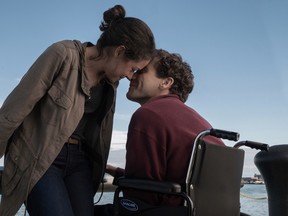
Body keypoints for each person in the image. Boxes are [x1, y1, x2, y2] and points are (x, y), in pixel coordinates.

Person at [0, 4, 155, 216]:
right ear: (119, 51)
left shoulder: (111, 82)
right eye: (133, 68)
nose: (131, 76)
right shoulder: (62, 55)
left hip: (80, 162)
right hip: (41, 158)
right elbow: (12, 111)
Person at [105, 49, 224, 208]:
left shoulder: (147, 115)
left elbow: (139, 195)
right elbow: (160, 181)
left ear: (166, 82)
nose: (131, 76)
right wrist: (108, 169)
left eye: (141, 72)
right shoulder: (201, 123)